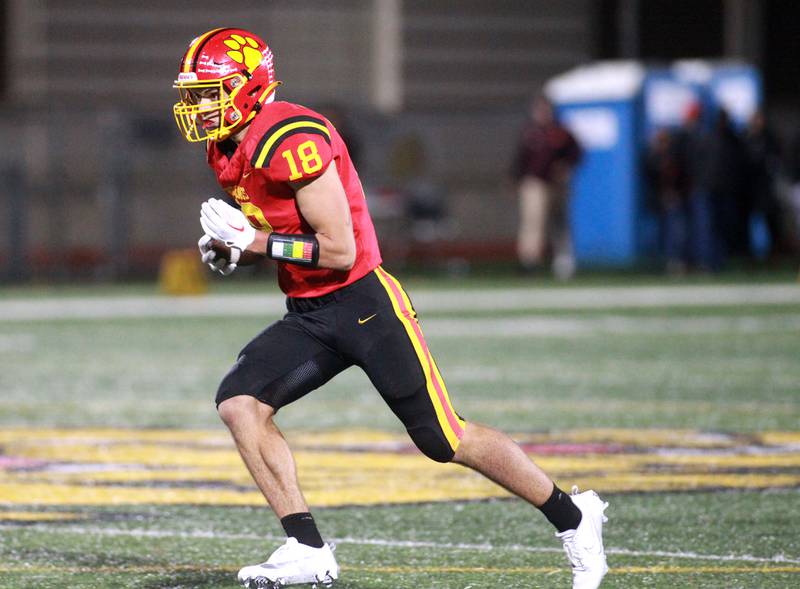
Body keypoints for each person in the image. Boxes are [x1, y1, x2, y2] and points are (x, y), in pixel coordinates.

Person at [172, 28, 608, 589]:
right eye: (196, 94)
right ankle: (306, 549)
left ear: (249, 85)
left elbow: (338, 249)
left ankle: (575, 519)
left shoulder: (290, 136)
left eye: (211, 92)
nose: (201, 106)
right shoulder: (225, 144)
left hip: (363, 304)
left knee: (442, 438)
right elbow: (279, 230)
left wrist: (253, 243)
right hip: (308, 313)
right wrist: (233, 246)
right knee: (239, 402)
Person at [510, 95, 582, 279]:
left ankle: (564, 261)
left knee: (560, 222)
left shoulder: (561, 132)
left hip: (556, 184)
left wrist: (565, 166)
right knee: (532, 222)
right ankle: (530, 262)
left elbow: (576, 153)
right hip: (534, 183)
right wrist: (516, 179)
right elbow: (521, 160)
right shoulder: (530, 132)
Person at [645, 129, 689, 274]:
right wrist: (660, 196)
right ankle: (659, 263)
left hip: (675, 199)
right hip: (658, 201)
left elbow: (681, 177)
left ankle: (676, 261)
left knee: (677, 232)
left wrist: (676, 194)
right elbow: (650, 179)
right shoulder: (653, 157)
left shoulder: (674, 156)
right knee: (660, 234)